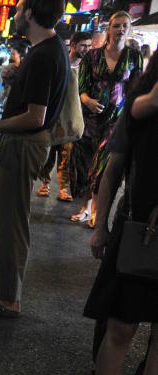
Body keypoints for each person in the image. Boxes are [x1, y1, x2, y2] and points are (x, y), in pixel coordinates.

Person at [0, 0, 70, 318]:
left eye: (20, 10)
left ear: (31, 13)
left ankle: (10, 298)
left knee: (12, 222)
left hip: (26, 145)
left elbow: (36, 117)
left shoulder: (46, 54)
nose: (16, 15)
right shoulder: (44, 50)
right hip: (20, 145)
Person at [81, 54, 158, 375]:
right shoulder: (139, 104)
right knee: (122, 326)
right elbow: (113, 169)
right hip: (138, 228)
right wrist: (100, 225)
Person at [71, 12, 143, 228]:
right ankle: (85, 205)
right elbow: (81, 89)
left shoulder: (133, 56)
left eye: (125, 26)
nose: (121, 30)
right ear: (109, 29)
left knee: (103, 167)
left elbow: (136, 88)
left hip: (117, 119)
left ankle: (95, 211)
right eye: (117, 26)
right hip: (91, 118)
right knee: (86, 164)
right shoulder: (92, 56)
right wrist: (88, 101)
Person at [37, 31, 91, 202]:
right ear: (73, 45)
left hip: (73, 117)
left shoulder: (86, 68)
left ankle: (63, 188)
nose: (87, 49)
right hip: (54, 115)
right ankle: (44, 183)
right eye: (83, 45)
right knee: (49, 152)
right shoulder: (62, 63)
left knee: (67, 155)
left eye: (89, 46)